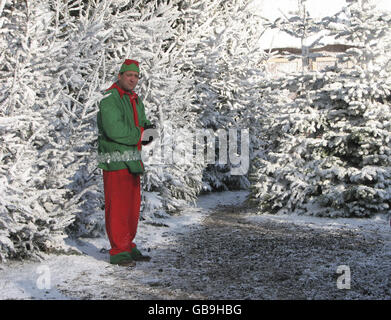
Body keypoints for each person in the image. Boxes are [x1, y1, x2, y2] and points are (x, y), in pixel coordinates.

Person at [97, 59, 155, 266]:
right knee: (118, 208)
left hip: (132, 160)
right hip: (115, 161)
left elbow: (145, 125)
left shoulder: (135, 100)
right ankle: (119, 251)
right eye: (129, 75)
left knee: (131, 208)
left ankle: (128, 245)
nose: (133, 79)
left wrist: (149, 129)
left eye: (136, 76)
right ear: (120, 76)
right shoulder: (110, 99)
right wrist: (142, 134)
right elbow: (115, 131)